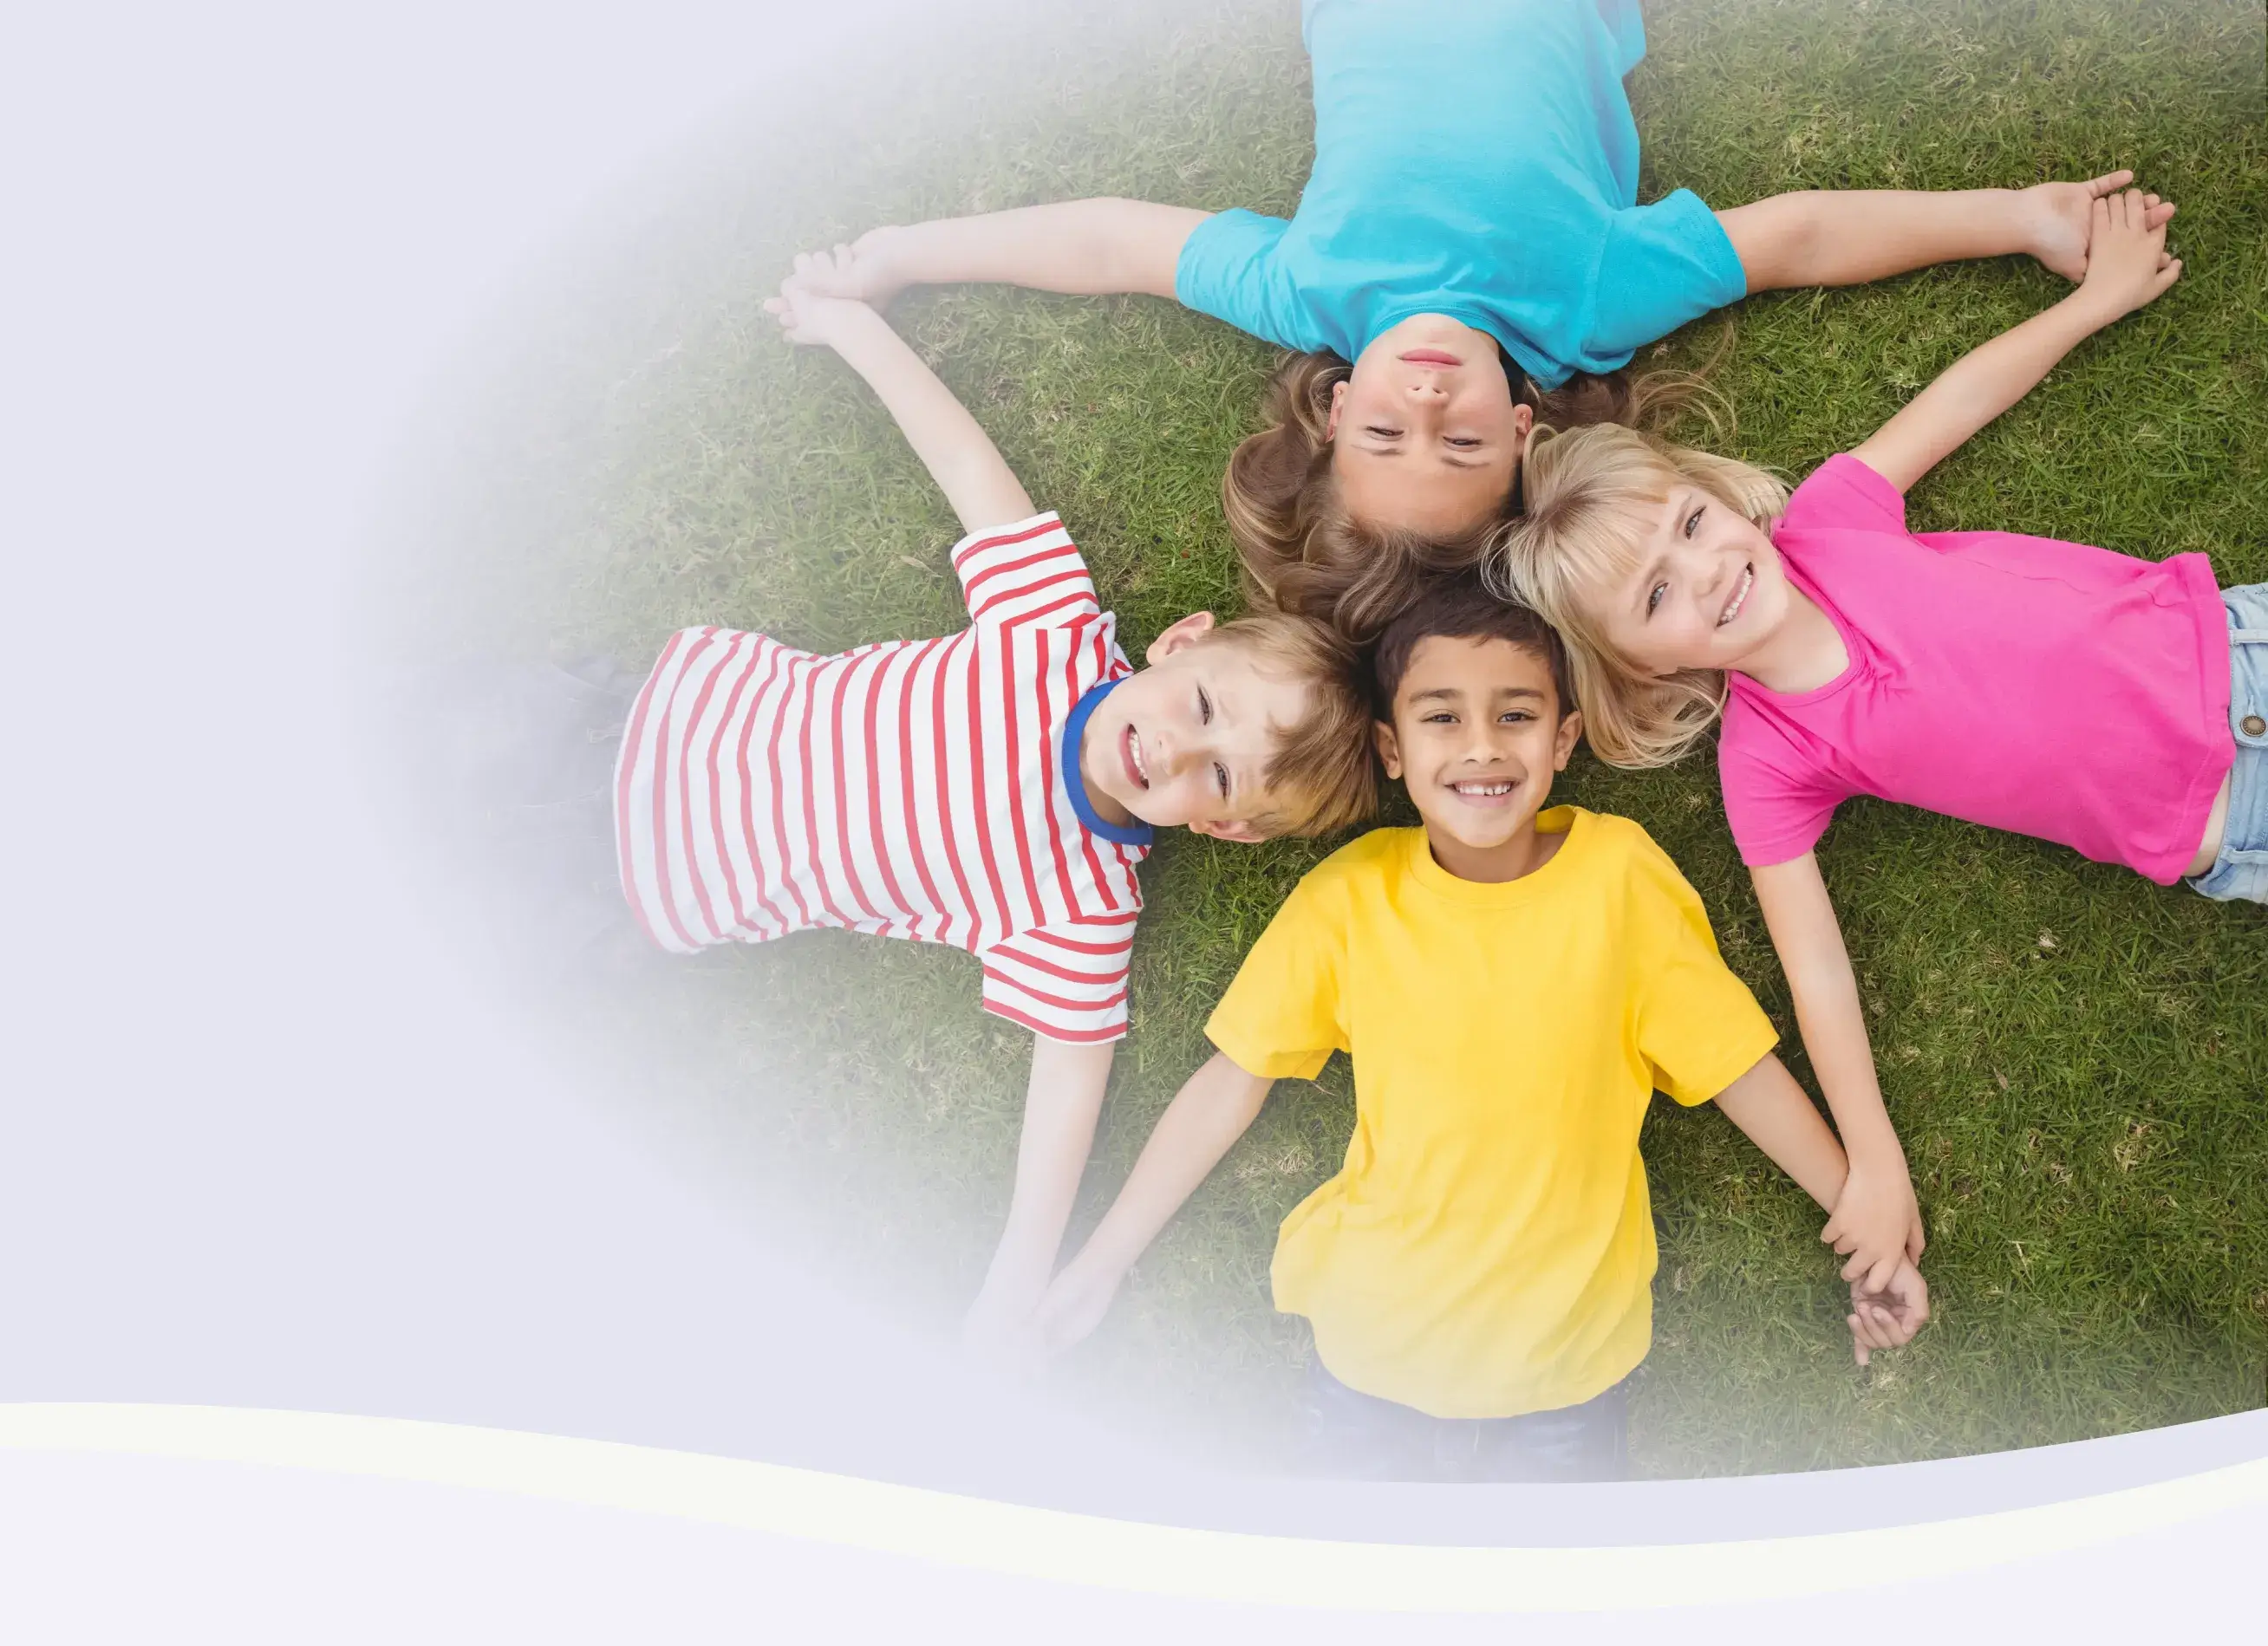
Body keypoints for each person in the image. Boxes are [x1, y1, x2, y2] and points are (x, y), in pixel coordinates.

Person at [788, 0, 2160, 628]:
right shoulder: (1588, 307)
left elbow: (1100, 241)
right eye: (1466, 447)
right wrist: (2018, 215)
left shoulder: (1307, 286)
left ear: (1334, 406)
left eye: (1392, 432)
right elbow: (1798, 235)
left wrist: (906, 253)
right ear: (1524, 424)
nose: (1433, 407)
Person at [619, 258, 1378, 1352]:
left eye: (1218, 776)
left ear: (1226, 827)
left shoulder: (1081, 907)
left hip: (652, 880)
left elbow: (1064, 1097)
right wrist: (851, 328)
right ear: (1182, 641)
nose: (1174, 748)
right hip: (658, 713)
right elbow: (966, 461)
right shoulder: (1053, 631)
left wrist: (1011, 1292)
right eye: (1203, 703)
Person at [1028, 580, 1925, 1480]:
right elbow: (1229, 1082)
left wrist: (1865, 1219)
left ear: (1565, 740)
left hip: (1566, 1373)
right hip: (1369, 1355)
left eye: (1518, 715)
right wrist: (1103, 1261)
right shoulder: (1350, 896)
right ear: (1392, 749)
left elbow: (1736, 1067)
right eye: (1442, 719)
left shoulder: (1620, 879)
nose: (1483, 747)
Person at [1493, 185, 2209, 1296]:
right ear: (1642, 665)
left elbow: (1958, 398)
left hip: (2228, 639)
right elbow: (1814, 968)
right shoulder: (1769, 763)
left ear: (1715, 497)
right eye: (1658, 596)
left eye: (1692, 525)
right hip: (2216, 818)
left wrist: (2093, 303)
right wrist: (1870, 1158)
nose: (1711, 570)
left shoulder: (1830, 515)